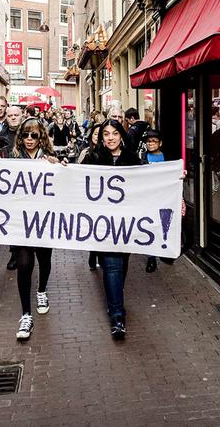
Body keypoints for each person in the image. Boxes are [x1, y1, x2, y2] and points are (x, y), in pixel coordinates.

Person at [0, 117, 63, 340]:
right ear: (20, 137)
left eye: (34, 135)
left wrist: (61, 167)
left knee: (44, 259)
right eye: (25, 135)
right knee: (24, 264)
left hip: (43, 221)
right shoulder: (10, 158)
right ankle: (26, 314)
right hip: (19, 223)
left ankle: (41, 291)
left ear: (41, 138)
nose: (29, 140)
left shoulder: (49, 160)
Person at [82, 118, 142, 339]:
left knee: (121, 264)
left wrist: (174, 178)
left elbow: (150, 181)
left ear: (121, 135)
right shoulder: (93, 158)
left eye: (114, 133)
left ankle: (115, 299)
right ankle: (117, 316)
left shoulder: (132, 159)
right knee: (112, 265)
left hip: (126, 225)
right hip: (103, 225)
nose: (110, 138)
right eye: (105, 134)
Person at [0, 105, 25, 270]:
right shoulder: (0, 138)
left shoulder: (30, 133)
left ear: (22, 116)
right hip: (9, 185)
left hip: (27, 184)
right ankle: (14, 253)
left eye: (16, 115)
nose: (13, 117)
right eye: (10, 115)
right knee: (12, 219)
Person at [140, 129, 167, 274]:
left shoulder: (167, 158)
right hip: (148, 197)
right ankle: (151, 257)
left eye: (153, 141)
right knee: (150, 226)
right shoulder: (142, 157)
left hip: (164, 196)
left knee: (162, 224)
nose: (150, 144)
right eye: (148, 141)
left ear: (160, 143)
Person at [76, 123, 102, 270]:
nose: (98, 136)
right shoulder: (86, 153)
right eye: (95, 134)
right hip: (90, 199)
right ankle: (93, 254)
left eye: (101, 133)